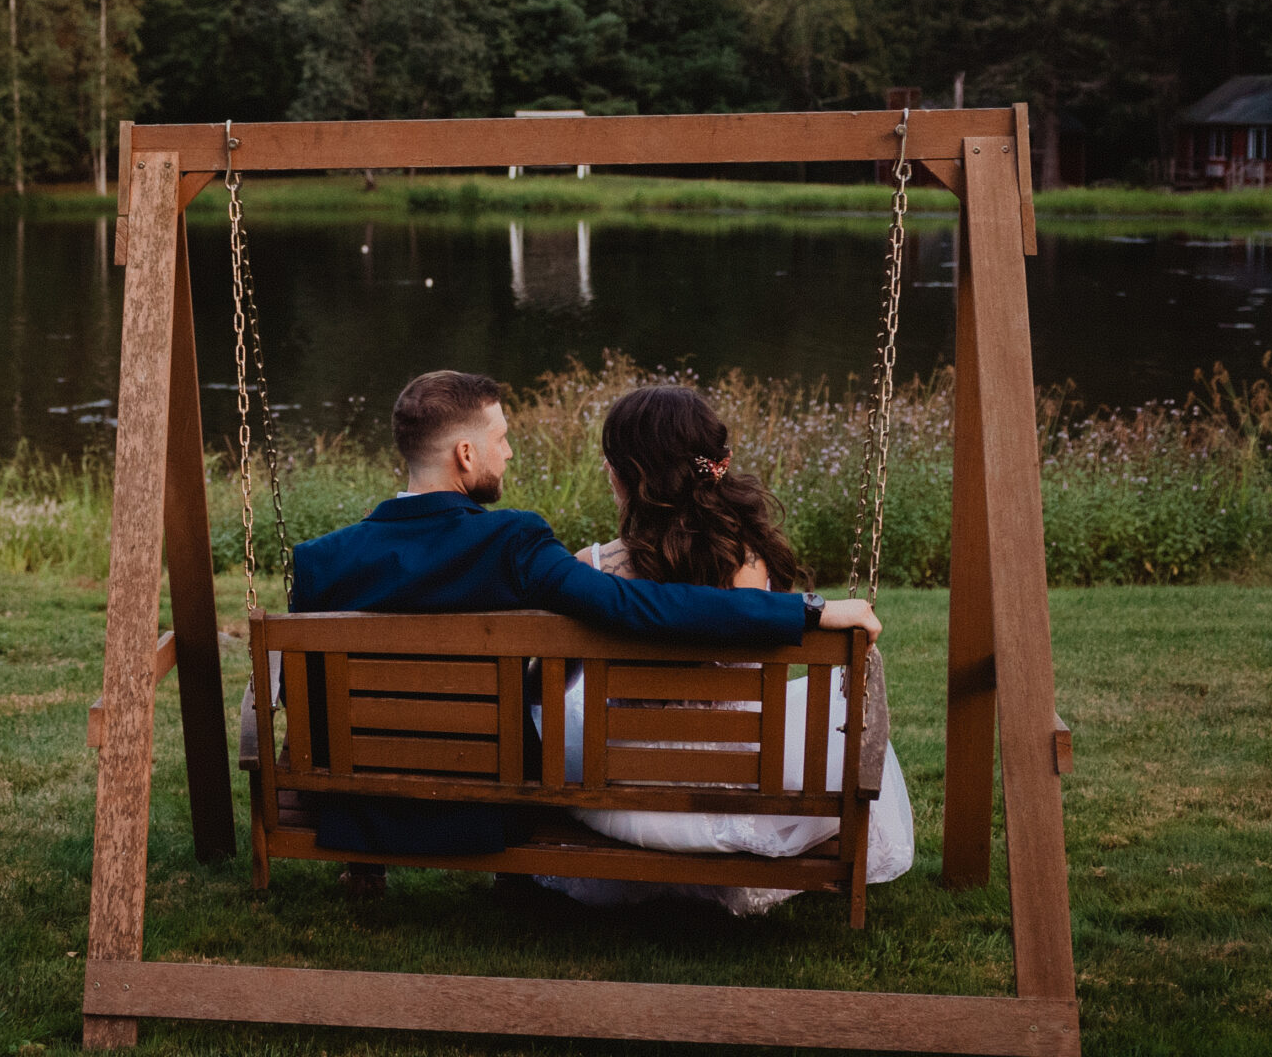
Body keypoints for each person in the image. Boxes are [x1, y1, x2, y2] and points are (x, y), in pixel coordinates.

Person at [286, 371, 879, 888]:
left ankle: (366, 865)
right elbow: (639, 607)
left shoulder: (319, 561)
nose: (510, 453)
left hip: (357, 805)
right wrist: (803, 610)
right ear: (465, 455)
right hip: (483, 811)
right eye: (503, 439)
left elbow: (300, 694)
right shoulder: (512, 542)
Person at [532, 383, 917, 916]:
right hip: (739, 789)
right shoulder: (750, 566)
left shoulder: (590, 569)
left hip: (621, 791)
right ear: (715, 468)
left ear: (619, 474)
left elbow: (560, 681)